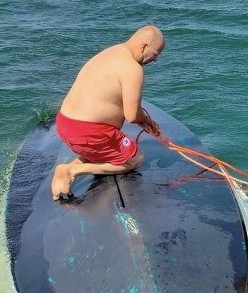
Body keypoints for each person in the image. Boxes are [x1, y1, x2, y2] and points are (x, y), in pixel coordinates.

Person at [50, 25, 166, 200]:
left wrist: (143, 119)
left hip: (64, 124)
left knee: (103, 149)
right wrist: (147, 121)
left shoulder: (112, 52)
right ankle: (72, 170)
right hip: (88, 132)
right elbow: (132, 115)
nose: (155, 60)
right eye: (155, 54)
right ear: (144, 47)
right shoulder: (133, 68)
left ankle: (63, 174)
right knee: (136, 159)